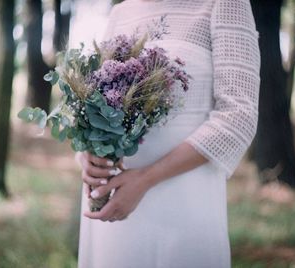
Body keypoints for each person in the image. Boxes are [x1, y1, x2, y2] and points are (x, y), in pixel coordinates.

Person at [77, 0, 260, 267]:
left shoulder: (225, 3)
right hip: (112, 203)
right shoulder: (121, 12)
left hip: (183, 204)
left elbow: (239, 115)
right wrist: (87, 154)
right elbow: (95, 102)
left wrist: (144, 180)